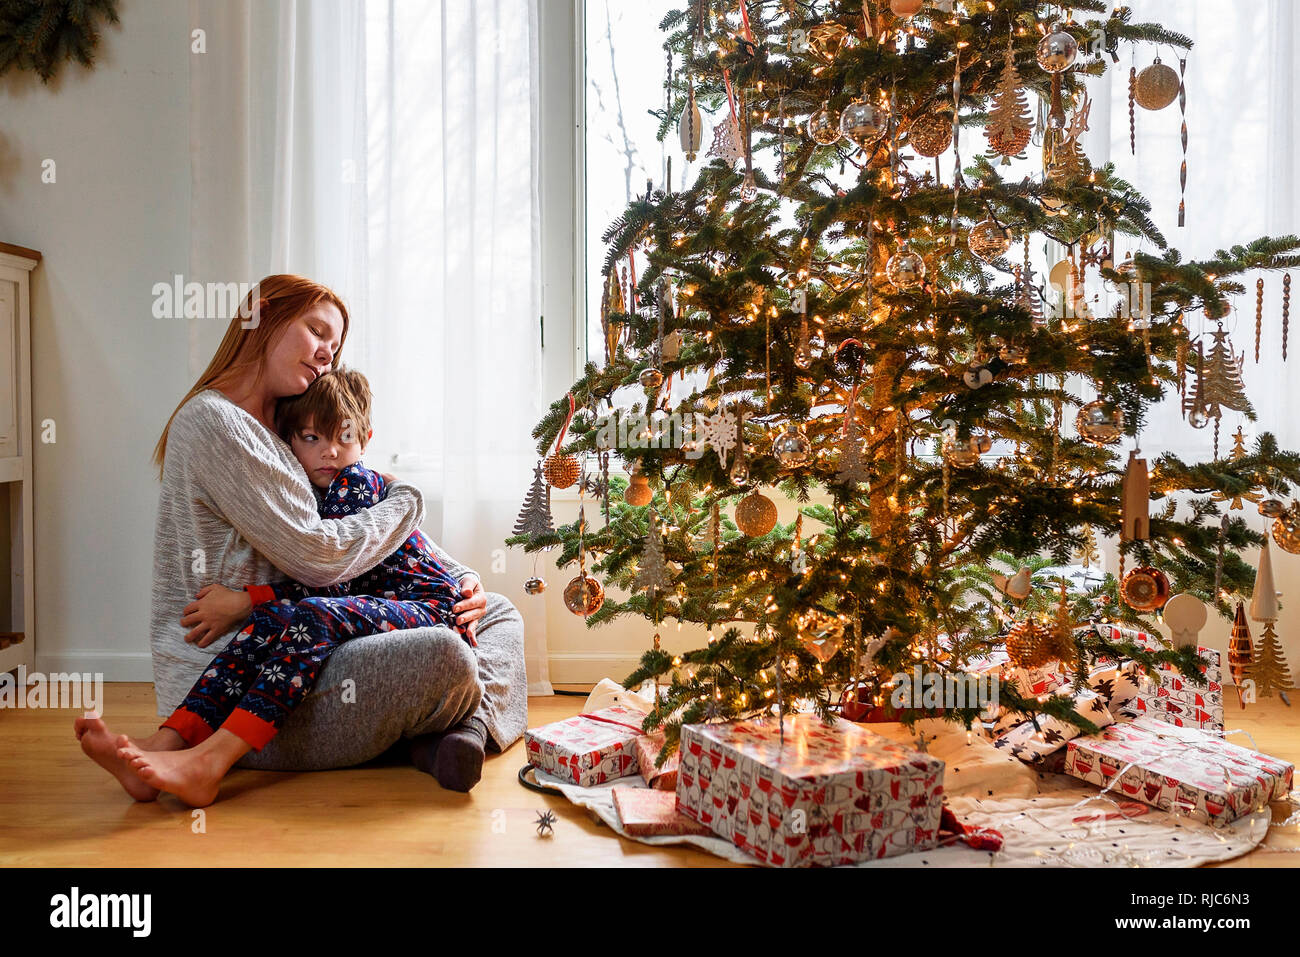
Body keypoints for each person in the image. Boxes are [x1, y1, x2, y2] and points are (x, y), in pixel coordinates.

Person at [75, 274, 526, 798]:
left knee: (496, 611)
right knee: (446, 654)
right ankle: (188, 749)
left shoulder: (284, 427)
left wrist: (460, 578)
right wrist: (408, 498)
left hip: (307, 639)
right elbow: (320, 557)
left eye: (334, 349)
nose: (326, 357)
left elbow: (367, 532)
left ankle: (455, 735)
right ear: (262, 316)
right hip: (254, 682)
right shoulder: (216, 423)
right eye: (316, 333)